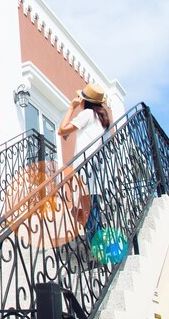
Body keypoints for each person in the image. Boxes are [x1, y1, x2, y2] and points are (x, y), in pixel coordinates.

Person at [57, 83, 111, 242]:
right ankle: (99, 246)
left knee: (88, 212)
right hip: (97, 167)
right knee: (89, 208)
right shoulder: (103, 119)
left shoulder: (87, 114)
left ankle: (98, 249)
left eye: (81, 98)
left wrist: (70, 108)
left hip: (85, 166)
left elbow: (61, 130)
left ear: (86, 100)